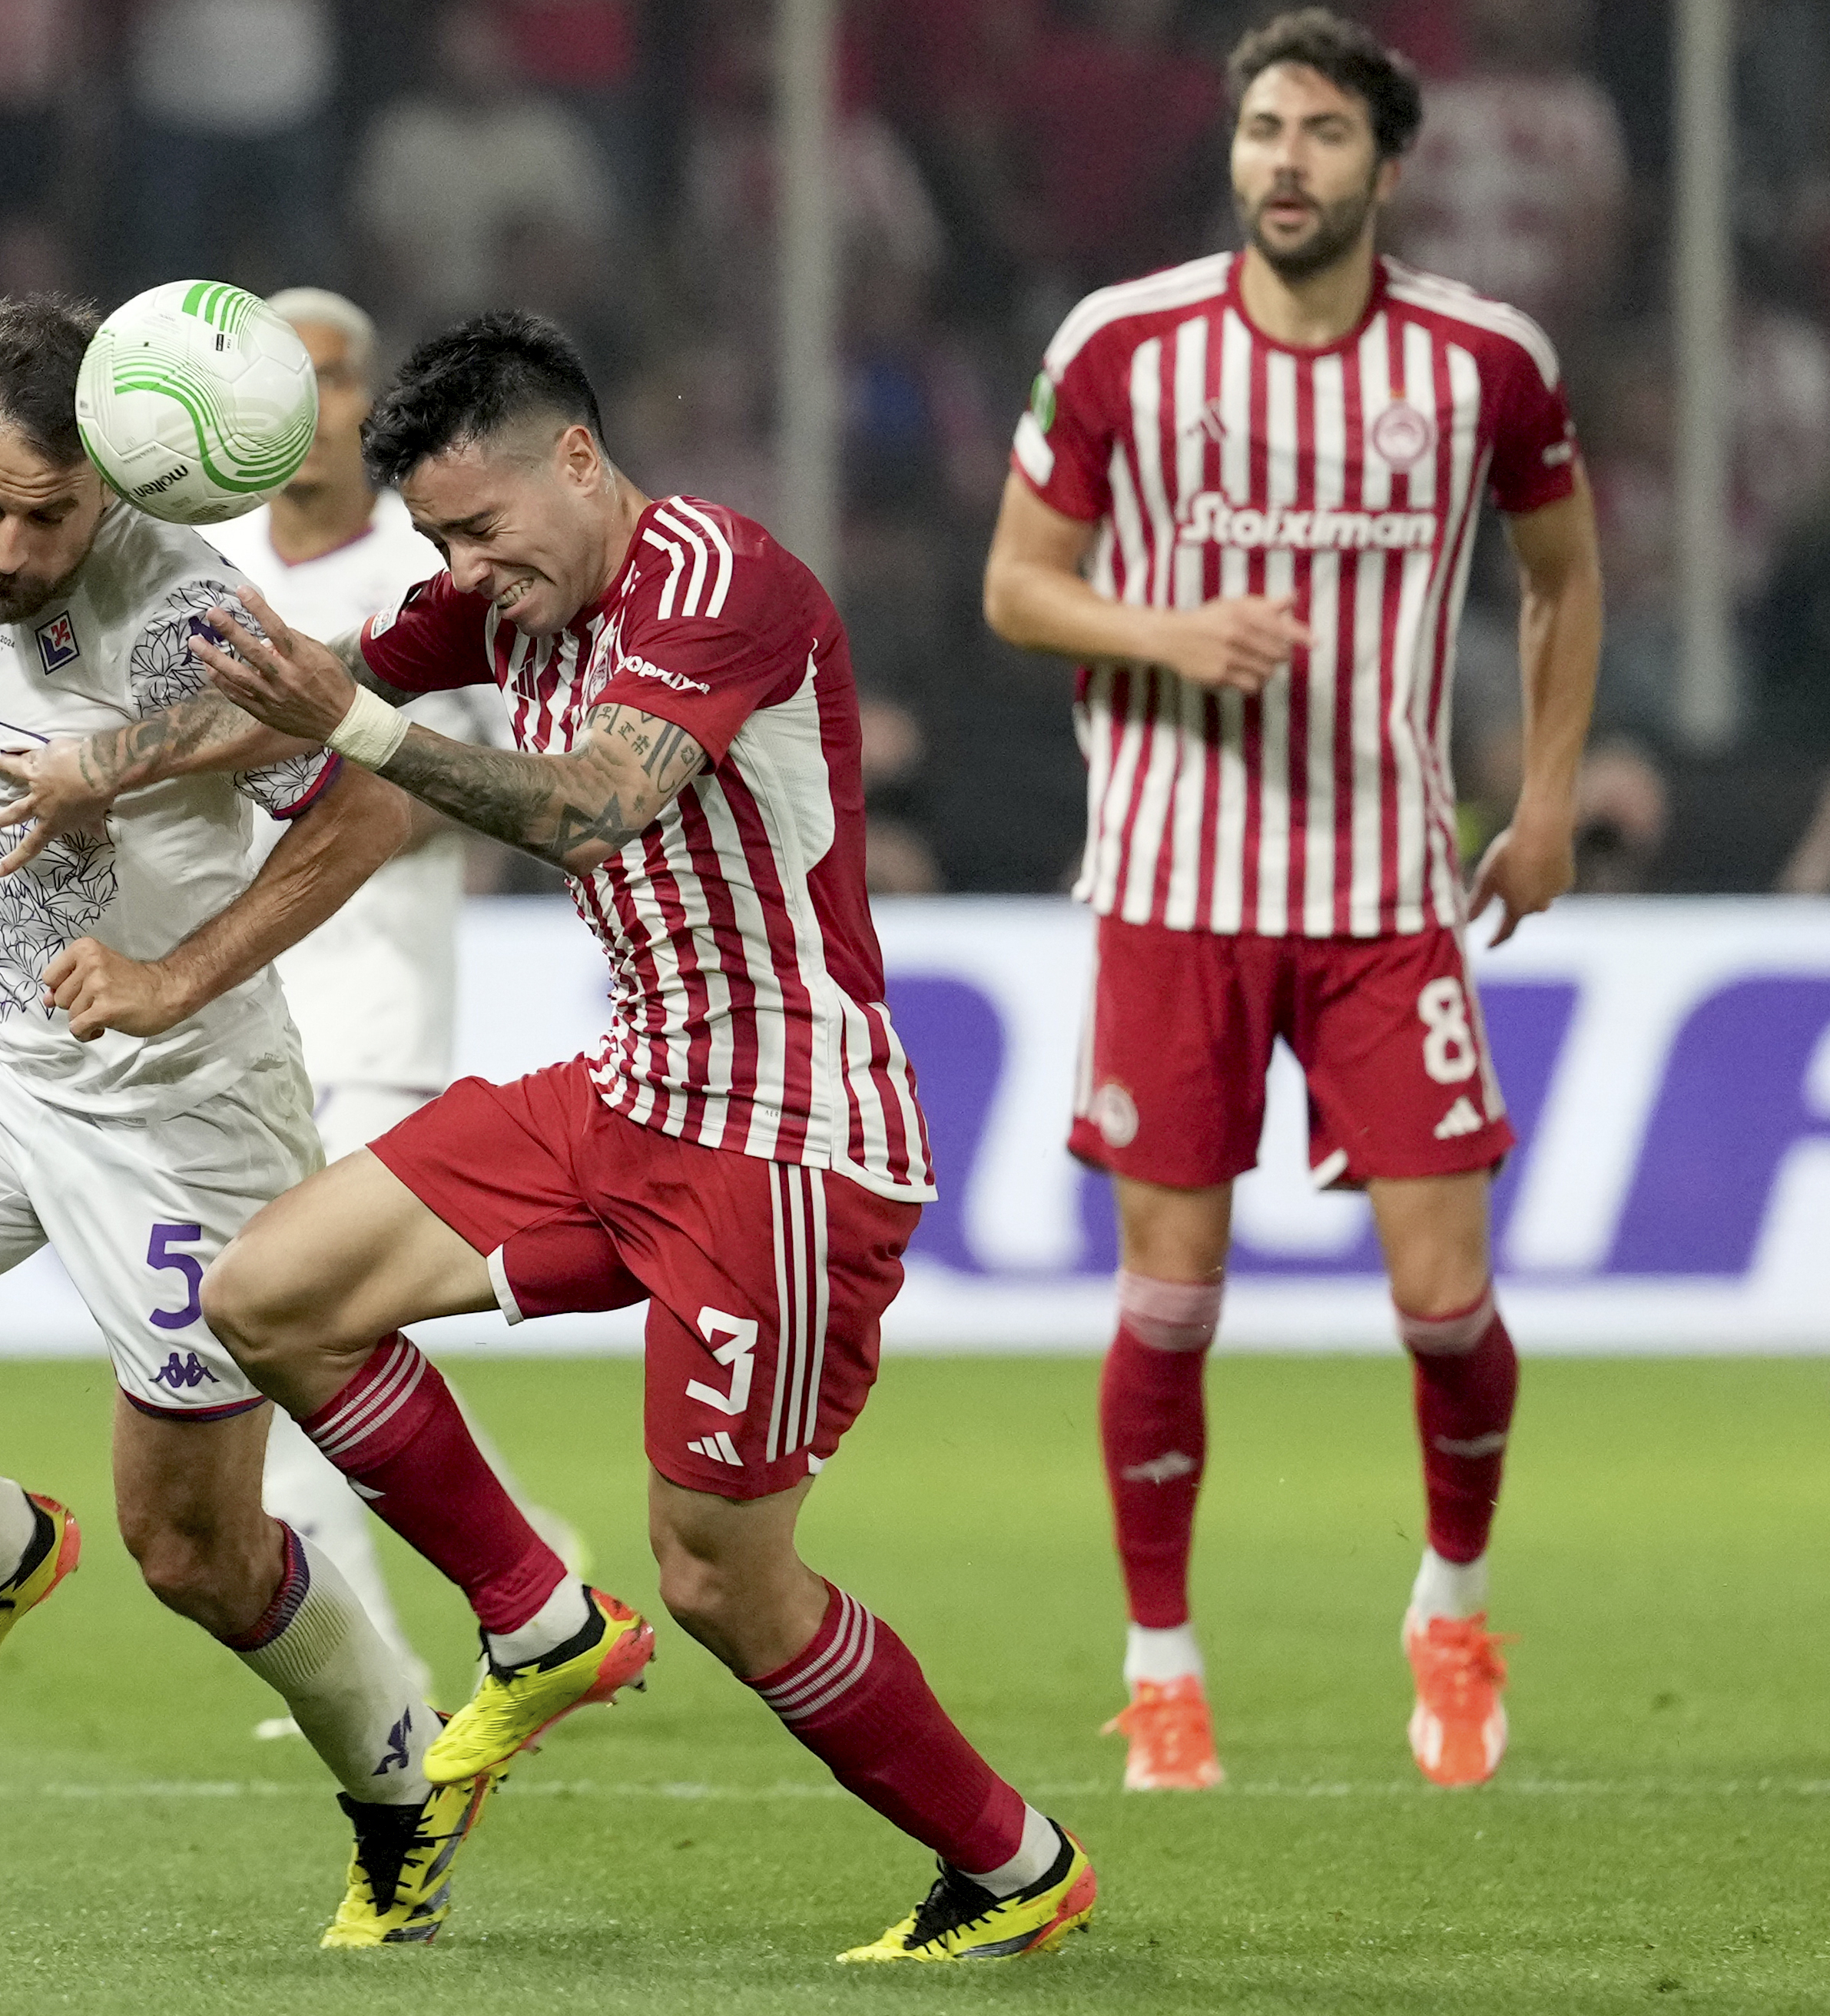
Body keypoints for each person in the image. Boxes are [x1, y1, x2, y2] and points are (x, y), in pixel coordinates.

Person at [191, 310, 1096, 1965]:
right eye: (444, 539)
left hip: (787, 1143)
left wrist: (360, 723)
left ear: (583, 461)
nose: (466, 566)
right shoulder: (497, 600)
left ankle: (1014, 1862)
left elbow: (598, 801)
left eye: (482, 527)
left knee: (723, 1583)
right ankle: (536, 1617)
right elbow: (285, 706)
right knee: (270, 1293)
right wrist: (38, 756)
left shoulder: (718, 581)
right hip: (625, 1095)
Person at [0, 294, 506, 1951]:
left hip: (183, 1111)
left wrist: (169, 974)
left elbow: (365, 820)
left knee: (197, 1555)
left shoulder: (197, 619)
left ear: (119, 495)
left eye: (45, 516)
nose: (1, 543)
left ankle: (398, 1784)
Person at [979, 9, 1602, 1794]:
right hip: (1170, 890)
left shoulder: (1485, 362)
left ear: (1384, 168)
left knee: (1446, 1291)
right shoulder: (1125, 346)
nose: (1286, 162)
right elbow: (1024, 587)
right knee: (1170, 1298)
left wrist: (1546, 796)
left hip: (1387, 892)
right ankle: (1161, 1665)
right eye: (1263, 130)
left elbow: (1563, 578)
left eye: (1323, 134)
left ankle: (1454, 1609)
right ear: (1233, 151)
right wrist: (1166, 630)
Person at [207, 287, 580, 1718]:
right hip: (225, 1018)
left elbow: (459, 795)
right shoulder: (208, 561)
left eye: (335, 377)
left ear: (365, 404)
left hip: (375, 1011)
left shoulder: (430, 578)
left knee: (299, 1332)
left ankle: (383, 1673)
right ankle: (526, 1553)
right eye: (284, 380)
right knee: (316, 1332)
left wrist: (311, 774)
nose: (311, 404)